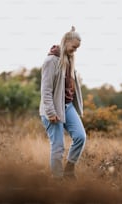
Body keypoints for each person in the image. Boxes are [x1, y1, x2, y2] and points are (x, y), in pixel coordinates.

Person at [39, 26, 86, 179]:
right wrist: (51, 113)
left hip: (68, 106)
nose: (75, 51)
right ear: (65, 42)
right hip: (52, 109)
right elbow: (46, 91)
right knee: (58, 147)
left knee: (80, 137)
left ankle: (69, 170)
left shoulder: (70, 59)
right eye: (74, 47)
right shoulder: (51, 61)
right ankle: (58, 182)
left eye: (77, 48)